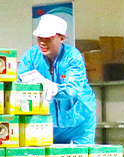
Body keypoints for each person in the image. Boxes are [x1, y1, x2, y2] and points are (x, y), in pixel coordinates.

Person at [19, 14, 97, 144]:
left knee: (80, 155)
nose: (42, 42)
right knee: (47, 155)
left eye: (48, 38)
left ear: (61, 38)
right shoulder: (31, 57)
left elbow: (73, 89)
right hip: (47, 122)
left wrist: (53, 88)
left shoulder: (72, 56)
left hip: (79, 122)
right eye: (39, 38)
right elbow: (20, 83)